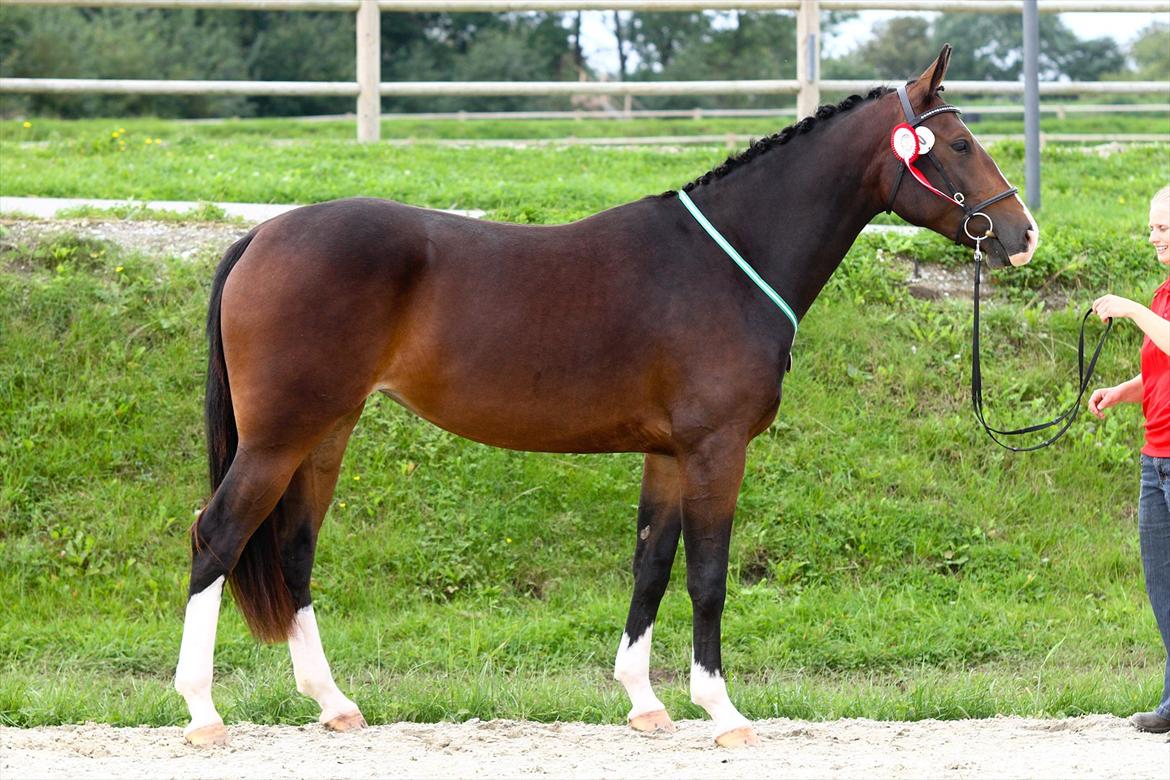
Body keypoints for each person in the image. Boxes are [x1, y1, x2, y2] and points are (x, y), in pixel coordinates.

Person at [1088, 184, 1170, 733]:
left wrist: (1133, 309)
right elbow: (1161, 366)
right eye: (1151, 228)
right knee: (1162, 584)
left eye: (1162, 227)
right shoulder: (1165, 293)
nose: (1154, 237)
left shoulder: (1155, 304)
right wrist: (1121, 391)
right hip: (1154, 456)